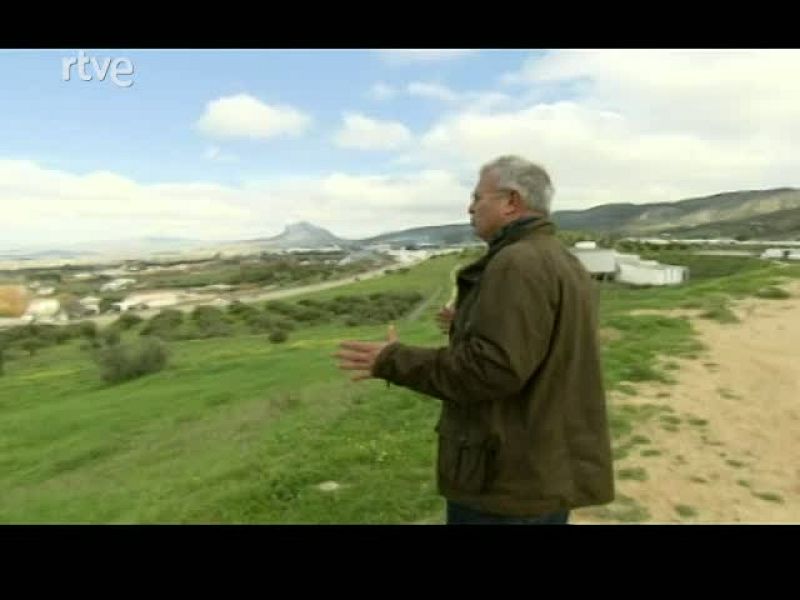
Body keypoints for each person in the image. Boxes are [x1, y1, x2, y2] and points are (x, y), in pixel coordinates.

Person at [335, 155, 614, 525]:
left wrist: (392, 359)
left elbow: (491, 369)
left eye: (477, 196)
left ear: (511, 201)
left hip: (506, 479)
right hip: (544, 467)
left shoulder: (516, 262)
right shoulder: (562, 261)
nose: (470, 207)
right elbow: (540, 345)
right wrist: (467, 322)